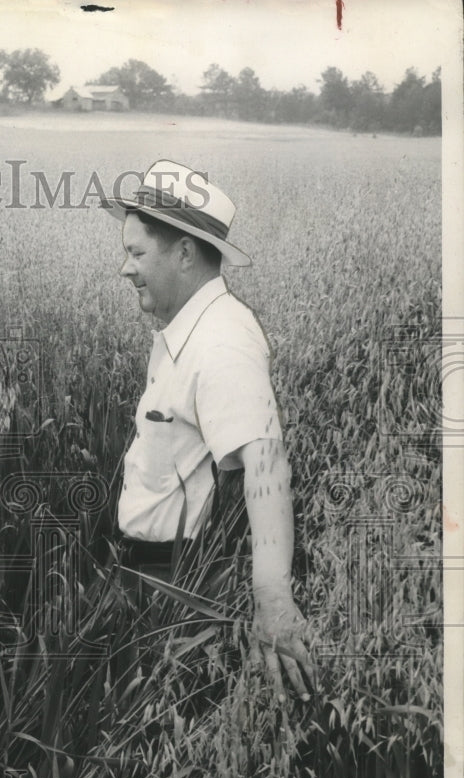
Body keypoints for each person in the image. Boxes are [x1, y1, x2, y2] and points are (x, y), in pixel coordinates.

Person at [102, 159, 316, 702]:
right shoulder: (189, 330)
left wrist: (273, 602)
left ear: (184, 252)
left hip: (181, 588)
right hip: (150, 579)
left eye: (136, 253)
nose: (125, 270)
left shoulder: (220, 345)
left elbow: (265, 464)